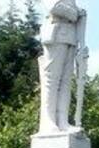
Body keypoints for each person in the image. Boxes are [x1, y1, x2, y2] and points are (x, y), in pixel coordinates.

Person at [38, 0, 85, 134]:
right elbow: (54, 6)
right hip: (56, 33)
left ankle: (62, 121)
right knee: (51, 81)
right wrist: (75, 13)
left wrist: (78, 13)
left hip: (70, 35)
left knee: (65, 82)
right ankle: (48, 121)